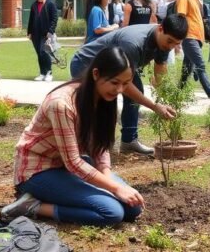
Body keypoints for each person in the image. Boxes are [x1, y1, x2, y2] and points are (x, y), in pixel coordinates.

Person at [4, 46, 145, 225]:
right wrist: (115, 188)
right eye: (115, 82)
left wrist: (108, 177)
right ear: (96, 74)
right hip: (38, 171)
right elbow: (73, 162)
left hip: (65, 167)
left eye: (125, 84)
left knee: (132, 208)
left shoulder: (102, 98)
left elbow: (99, 145)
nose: (119, 89)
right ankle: (31, 206)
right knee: (112, 213)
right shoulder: (61, 104)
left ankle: (62, 195)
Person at [68, 15, 188, 155]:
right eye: (170, 41)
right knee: (96, 102)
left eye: (176, 44)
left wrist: (165, 99)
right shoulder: (133, 42)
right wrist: (154, 107)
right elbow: (125, 85)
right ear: (160, 29)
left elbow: (160, 69)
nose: (171, 46)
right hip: (87, 63)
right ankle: (85, 146)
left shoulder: (164, 44)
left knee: (136, 93)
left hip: (116, 67)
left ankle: (128, 141)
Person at [27, 0, 59, 82]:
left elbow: (54, 19)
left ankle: (49, 73)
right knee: (39, 54)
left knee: (44, 51)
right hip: (35, 33)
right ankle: (42, 73)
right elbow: (31, 19)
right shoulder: (34, 5)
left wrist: (50, 32)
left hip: (46, 34)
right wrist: (29, 32)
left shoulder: (51, 3)